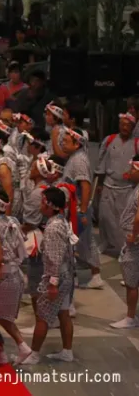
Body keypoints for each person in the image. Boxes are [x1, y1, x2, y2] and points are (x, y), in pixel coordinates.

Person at [19, 187, 77, 365]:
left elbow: (54, 259)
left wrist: (52, 284)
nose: (40, 205)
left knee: (42, 317)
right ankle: (67, 351)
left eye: (42, 202)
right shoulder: (62, 221)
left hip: (57, 277)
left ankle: (34, 354)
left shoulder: (52, 228)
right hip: (66, 274)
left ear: (50, 206)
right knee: (63, 314)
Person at [0, 190, 32, 364]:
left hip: (3, 276)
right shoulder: (12, 220)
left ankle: (21, 346)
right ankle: (0, 351)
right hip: (14, 273)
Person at [62, 126, 102, 288]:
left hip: (78, 209)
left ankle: (95, 275)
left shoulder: (79, 160)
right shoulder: (75, 157)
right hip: (74, 208)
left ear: (76, 144)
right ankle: (78, 275)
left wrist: (83, 211)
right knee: (78, 243)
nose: (62, 144)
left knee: (83, 242)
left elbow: (85, 186)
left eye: (66, 141)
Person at [95, 113, 139, 255]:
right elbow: (101, 162)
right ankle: (104, 243)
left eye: (128, 125)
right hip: (108, 184)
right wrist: (99, 183)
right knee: (104, 217)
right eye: (122, 124)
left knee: (123, 219)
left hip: (127, 187)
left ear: (133, 127)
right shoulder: (109, 140)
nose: (124, 127)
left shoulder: (137, 143)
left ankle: (123, 247)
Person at [110, 155, 139, 329]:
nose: (129, 173)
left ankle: (130, 317)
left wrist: (134, 235)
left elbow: (138, 218)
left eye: (133, 170)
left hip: (134, 242)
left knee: (131, 282)